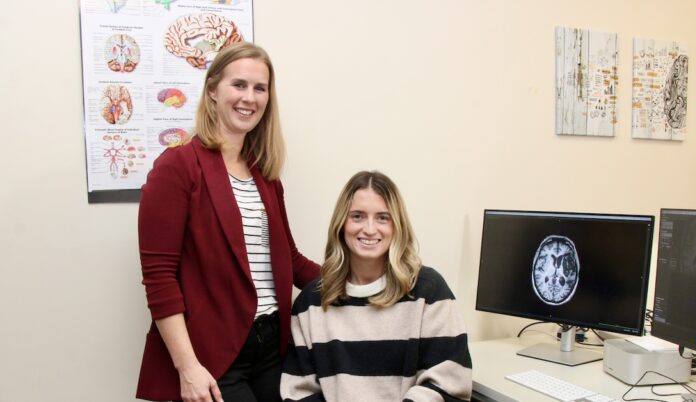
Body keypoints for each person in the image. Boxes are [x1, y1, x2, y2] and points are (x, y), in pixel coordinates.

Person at [136, 42, 320, 402]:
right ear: (212, 90)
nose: (249, 97)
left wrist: (362, 281)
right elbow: (159, 278)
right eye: (239, 84)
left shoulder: (265, 175)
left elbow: (290, 261)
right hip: (213, 354)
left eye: (260, 88)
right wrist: (187, 368)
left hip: (271, 349)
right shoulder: (177, 167)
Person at [281, 171, 472, 402]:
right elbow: (298, 392)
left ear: (397, 226)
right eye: (358, 216)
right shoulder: (310, 303)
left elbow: (448, 385)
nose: (370, 229)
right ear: (342, 224)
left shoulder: (429, 292)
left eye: (383, 217)